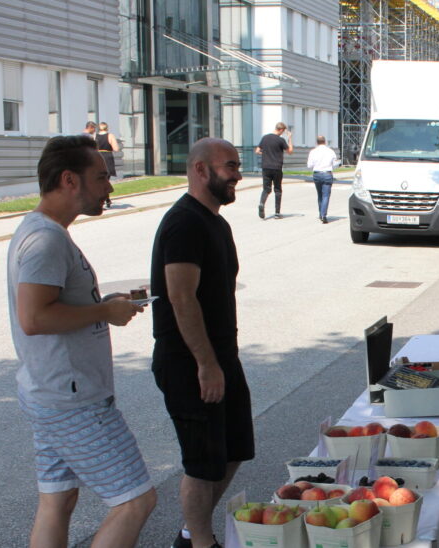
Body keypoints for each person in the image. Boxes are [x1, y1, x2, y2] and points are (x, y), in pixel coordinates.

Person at [6, 135, 156, 548]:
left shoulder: (43, 231)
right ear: (69, 180)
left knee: (58, 499)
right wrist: (103, 312)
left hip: (50, 392)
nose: (110, 186)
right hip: (72, 398)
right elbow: (34, 317)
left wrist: (103, 304)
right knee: (135, 501)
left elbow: (52, 306)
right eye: (101, 177)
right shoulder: (46, 239)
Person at [151, 138, 252, 548]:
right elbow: (181, 297)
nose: (237, 175)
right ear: (200, 169)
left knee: (235, 448)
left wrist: (220, 360)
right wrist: (206, 365)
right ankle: (201, 543)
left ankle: (191, 533)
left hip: (220, 356)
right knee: (202, 462)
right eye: (230, 166)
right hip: (189, 362)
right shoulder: (184, 223)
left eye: (237, 166)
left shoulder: (215, 223)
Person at [254, 122, 293, 219]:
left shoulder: (265, 138)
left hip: (266, 167)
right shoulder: (280, 140)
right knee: (277, 190)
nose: (282, 133)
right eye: (283, 132)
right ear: (281, 130)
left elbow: (257, 151)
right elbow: (290, 151)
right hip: (276, 167)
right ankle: (277, 213)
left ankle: (262, 203)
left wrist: (265, 153)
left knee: (266, 189)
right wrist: (289, 138)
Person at [307, 135, 339, 223]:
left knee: (320, 194)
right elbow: (335, 164)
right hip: (327, 174)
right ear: (325, 142)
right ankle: (323, 214)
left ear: (317, 142)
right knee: (326, 195)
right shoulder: (330, 151)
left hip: (317, 174)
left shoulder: (313, 152)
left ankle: (320, 213)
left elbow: (309, 165)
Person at [96, 122, 120, 208]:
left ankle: (107, 199)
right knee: (106, 180)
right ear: (107, 128)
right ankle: (105, 200)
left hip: (98, 157)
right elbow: (116, 148)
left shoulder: (95, 136)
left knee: (101, 180)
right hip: (107, 157)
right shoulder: (110, 136)